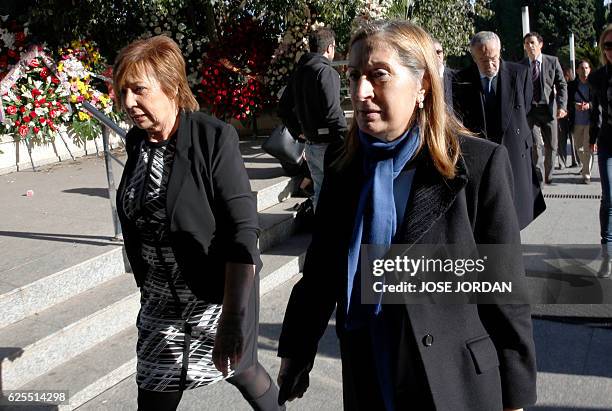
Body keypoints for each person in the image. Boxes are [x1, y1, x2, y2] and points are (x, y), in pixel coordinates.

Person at [277, 20, 536, 411]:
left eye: (378, 76)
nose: (361, 92)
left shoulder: (478, 165)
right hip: (370, 371)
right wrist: (298, 349)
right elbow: (322, 267)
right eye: (354, 77)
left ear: (422, 86)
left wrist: (515, 398)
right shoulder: (344, 167)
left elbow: (504, 292)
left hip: (454, 383)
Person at [113, 36, 283, 411]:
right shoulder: (137, 143)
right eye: (123, 92)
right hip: (160, 299)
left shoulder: (212, 138)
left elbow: (243, 229)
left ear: (171, 86)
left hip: (217, 294)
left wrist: (234, 320)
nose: (127, 103)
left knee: (242, 369)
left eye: (138, 90)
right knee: (155, 388)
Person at [453, 31, 545, 229]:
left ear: (500, 51)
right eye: (483, 60)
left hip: (513, 149)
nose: (489, 65)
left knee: (514, 213)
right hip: (481, 153)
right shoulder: (461, 79)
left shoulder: (519, 73)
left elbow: (527, 106)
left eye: (493, 58)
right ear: (473, 56)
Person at [278, 27, 347, 209]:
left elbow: (283, 109)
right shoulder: (326, 72)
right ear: (330, 48)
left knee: (320, 193)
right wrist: (346, 139)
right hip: (329, 146)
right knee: (337, 196)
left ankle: (320, 235)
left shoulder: (298, 73)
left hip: (310, 145)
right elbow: (333, 113)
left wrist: (300, 132)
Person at [522, 32, 568, 184]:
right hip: (531, 112)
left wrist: (562, 106)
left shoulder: (552, 62)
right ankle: (538, 176)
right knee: (535, 145)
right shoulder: (522, 65)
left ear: (540, 44)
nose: (530, 46)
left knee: (552, 145)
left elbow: (562, 85)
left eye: (532, 43)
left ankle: (548, 174)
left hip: (549, 111)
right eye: (527, 43)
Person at [589, 24, 612, 278]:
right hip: (608, 143)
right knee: (610, 198)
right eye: (608, 45)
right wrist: (593, 138)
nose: (611, 50)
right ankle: (607, 254)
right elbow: (596, 113)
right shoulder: (597, 78)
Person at [568, 60, 595, 183]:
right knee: (579, 148)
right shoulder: (572, 85)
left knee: (587, 147)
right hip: (577, 121)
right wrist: (575, 105)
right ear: (577, 70)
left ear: (590, 69)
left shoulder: (594, 84)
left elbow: (600, 102)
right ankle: (585, 167)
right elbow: (567, 101)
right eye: (582, 68)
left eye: (586, 68)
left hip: (590, 121)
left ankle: (586, 175)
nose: (584, 70)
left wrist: (589, 105)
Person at [432, 38, 455, 110]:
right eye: (432, 53)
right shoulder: (422, 78)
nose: (436, 55)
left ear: (443, 54)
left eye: (438, 52)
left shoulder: (456, 76)